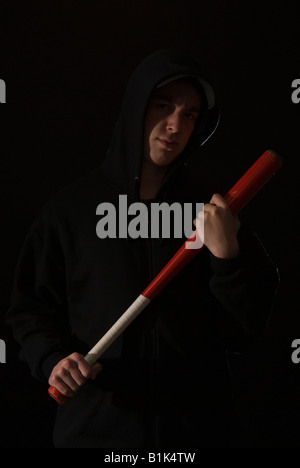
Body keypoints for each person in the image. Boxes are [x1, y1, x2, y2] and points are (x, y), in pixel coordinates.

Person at [6, 48, 279, 448]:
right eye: (163, 106)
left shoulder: (213, 212)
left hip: (196, 435)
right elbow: (29, 310)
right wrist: (52, 359)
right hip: (96, 435)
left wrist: (228, 258)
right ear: (136, 108)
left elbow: (243, 335)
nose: (175, 126)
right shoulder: (71, 209)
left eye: (189, 114)